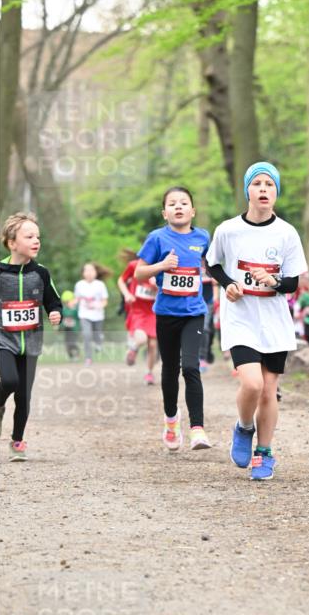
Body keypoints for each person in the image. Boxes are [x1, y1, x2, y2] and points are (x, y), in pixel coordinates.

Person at [207, 160, 308, 480]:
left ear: (276, 192)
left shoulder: (286, 233)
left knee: (268, 390)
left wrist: (274, 281)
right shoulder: (228, 230)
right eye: (257, 184)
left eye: (269, 184)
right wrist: (228, 284)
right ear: (247, 190)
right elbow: (212, 264)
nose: (263, 189)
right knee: (252, 383)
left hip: (274, 321)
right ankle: (243, 427)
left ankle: (263, 454)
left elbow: (293, 283)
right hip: (241, 317)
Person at [135, 186, 211, 451]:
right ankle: (171, 420)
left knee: (190, 367)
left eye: (183, 203)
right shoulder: (157, 238)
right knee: (169, 370)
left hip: (194, 313)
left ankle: (197, 429)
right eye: (172, 203)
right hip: (166, 314)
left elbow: (212, 264)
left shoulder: (203, 237)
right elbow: (139, 273)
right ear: (164, 213)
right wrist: (162, 266)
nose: (178, 207)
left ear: (193, 211)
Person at [0, 212, 62, 461]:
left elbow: (53, 300)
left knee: (24, 395)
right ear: (12, 243)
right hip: (3, 341)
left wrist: (55, 312)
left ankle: (17, 441)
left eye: (38, 236)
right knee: (10, 381)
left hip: (31, 344)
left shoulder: (41, 273)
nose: (36, 241)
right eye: (29, 236)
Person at [117, 250, 158, 385]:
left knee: (153, 345)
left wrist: (157, 287)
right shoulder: (134, 265)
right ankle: (133, 348)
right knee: (141, 339)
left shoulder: (162, 268)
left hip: (154, 311)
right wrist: (127, 294)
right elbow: (121, 280)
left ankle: (149, 373)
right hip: (137, 310)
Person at [74, 261, 108, 364]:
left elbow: (105, 301)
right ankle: (88, 358)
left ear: (96, 272)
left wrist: (100, 305)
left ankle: (99, 343)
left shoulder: (100, 285)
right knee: (87, 335)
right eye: (86, 270)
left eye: (91, 270)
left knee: (97, 335)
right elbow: (77, 298)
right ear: (83, 273)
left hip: (98, 315)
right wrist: (72, 303)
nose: (89, 273)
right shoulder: (79, 285)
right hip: (84, 315)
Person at [60, 290, 80, 360]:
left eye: (70, 301)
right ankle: (71, 356)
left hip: (74, 330)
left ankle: (77, 355)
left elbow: (78, 317)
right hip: (67, 329)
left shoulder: (76, 309)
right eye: (67, 302)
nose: (68, 303)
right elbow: (62, 320)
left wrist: (74, 307)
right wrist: (60, 328)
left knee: (73, 342)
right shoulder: (64, 310)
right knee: (67, 343)